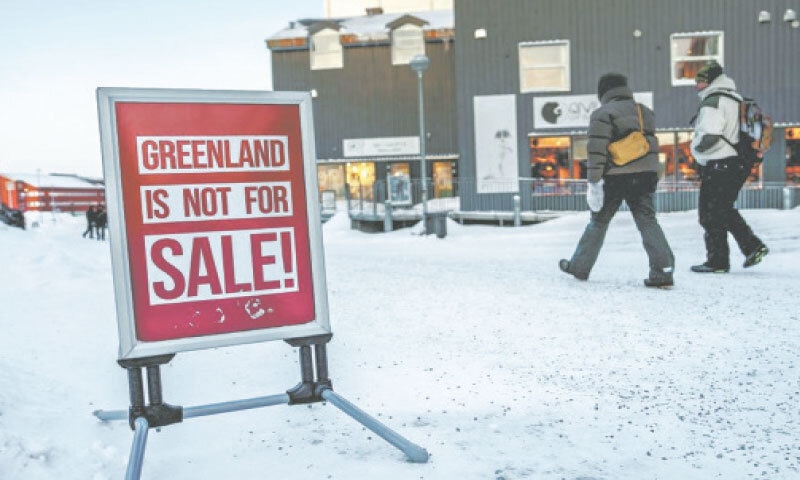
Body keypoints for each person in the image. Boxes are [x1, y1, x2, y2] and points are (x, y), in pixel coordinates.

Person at [559, 73, 675, 287]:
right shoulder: (644, 112)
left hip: (616, 176)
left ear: (603, 92)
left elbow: (596, 152)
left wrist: (593, 182)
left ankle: (580, 266)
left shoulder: (602, 114)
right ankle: (663, 270)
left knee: (598, 222)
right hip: (645, 175)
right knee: (648, 221)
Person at [689, 61, 769, 273]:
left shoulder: (713, 101)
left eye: (700, 81)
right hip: (738, 163)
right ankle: (752, 247)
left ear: (711, 81)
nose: (697, 86)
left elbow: (710, 136)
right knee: (722, 208)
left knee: (709, 213)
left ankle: (718, 261)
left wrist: (694, 150)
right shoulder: (736, 99)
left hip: (720, 164)